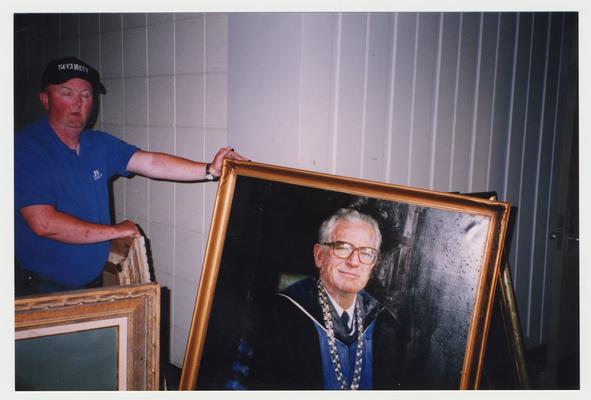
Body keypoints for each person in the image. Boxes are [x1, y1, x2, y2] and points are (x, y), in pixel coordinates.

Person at [14, 56, 247, 295]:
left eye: (85, 95)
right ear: (45, 99)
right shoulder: (26, 147)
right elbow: (43, 223)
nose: (78, 103)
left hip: (92, 283)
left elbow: (151, 162)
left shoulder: (99, 144)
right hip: (43, 289)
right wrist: (116, 231)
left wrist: (210, 170)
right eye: (67, 93)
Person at [248, 208, 407, 390]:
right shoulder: (280, 316)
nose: (354, 262)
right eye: (342, 247)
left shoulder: (386, 327)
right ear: (319, 255)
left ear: (373, 263)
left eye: (366, 252)